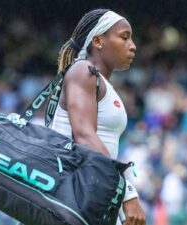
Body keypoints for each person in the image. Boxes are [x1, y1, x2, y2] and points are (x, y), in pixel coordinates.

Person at [51, 8, 146, 225]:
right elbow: (84, 137)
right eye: (124, 37)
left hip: (85, 198)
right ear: (97, 41)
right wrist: (127, 194)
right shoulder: (83, 71)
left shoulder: (100, 82)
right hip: (68, 198)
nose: (133, 46)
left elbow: (105, 147)